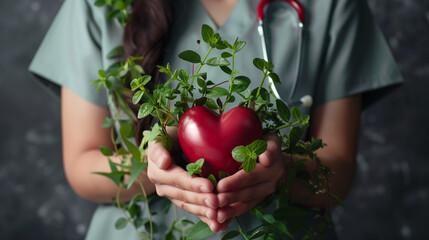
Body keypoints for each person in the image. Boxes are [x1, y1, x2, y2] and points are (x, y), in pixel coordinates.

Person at [29, 0, 403, 239]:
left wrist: (279, 172)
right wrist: (158, 165)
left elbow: (337, 169)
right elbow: (82, 163)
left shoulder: (333, 6)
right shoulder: (98, 5)